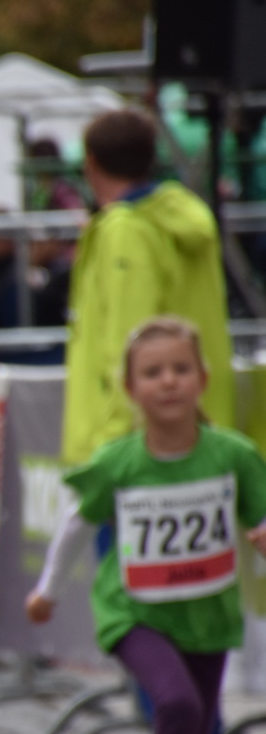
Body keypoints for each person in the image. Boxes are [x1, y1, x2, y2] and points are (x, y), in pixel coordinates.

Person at [28, 319, 266, 734]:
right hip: (134, 613)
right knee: (177, 704)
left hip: (207, 613)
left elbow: (258, 520)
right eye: (153, 373)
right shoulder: (119, 462)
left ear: (204, 379)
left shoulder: (232, 455)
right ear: (132, 388)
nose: (168, 383)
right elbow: (77, 525)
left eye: (180, 370)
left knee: (198, 724)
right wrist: (49, 589)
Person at [63, 108, 233, 467]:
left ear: (91, 164)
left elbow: (129, 340)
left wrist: (112, 444)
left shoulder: (125, 230)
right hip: (196, 434)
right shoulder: (184, 219)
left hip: (139, 451)